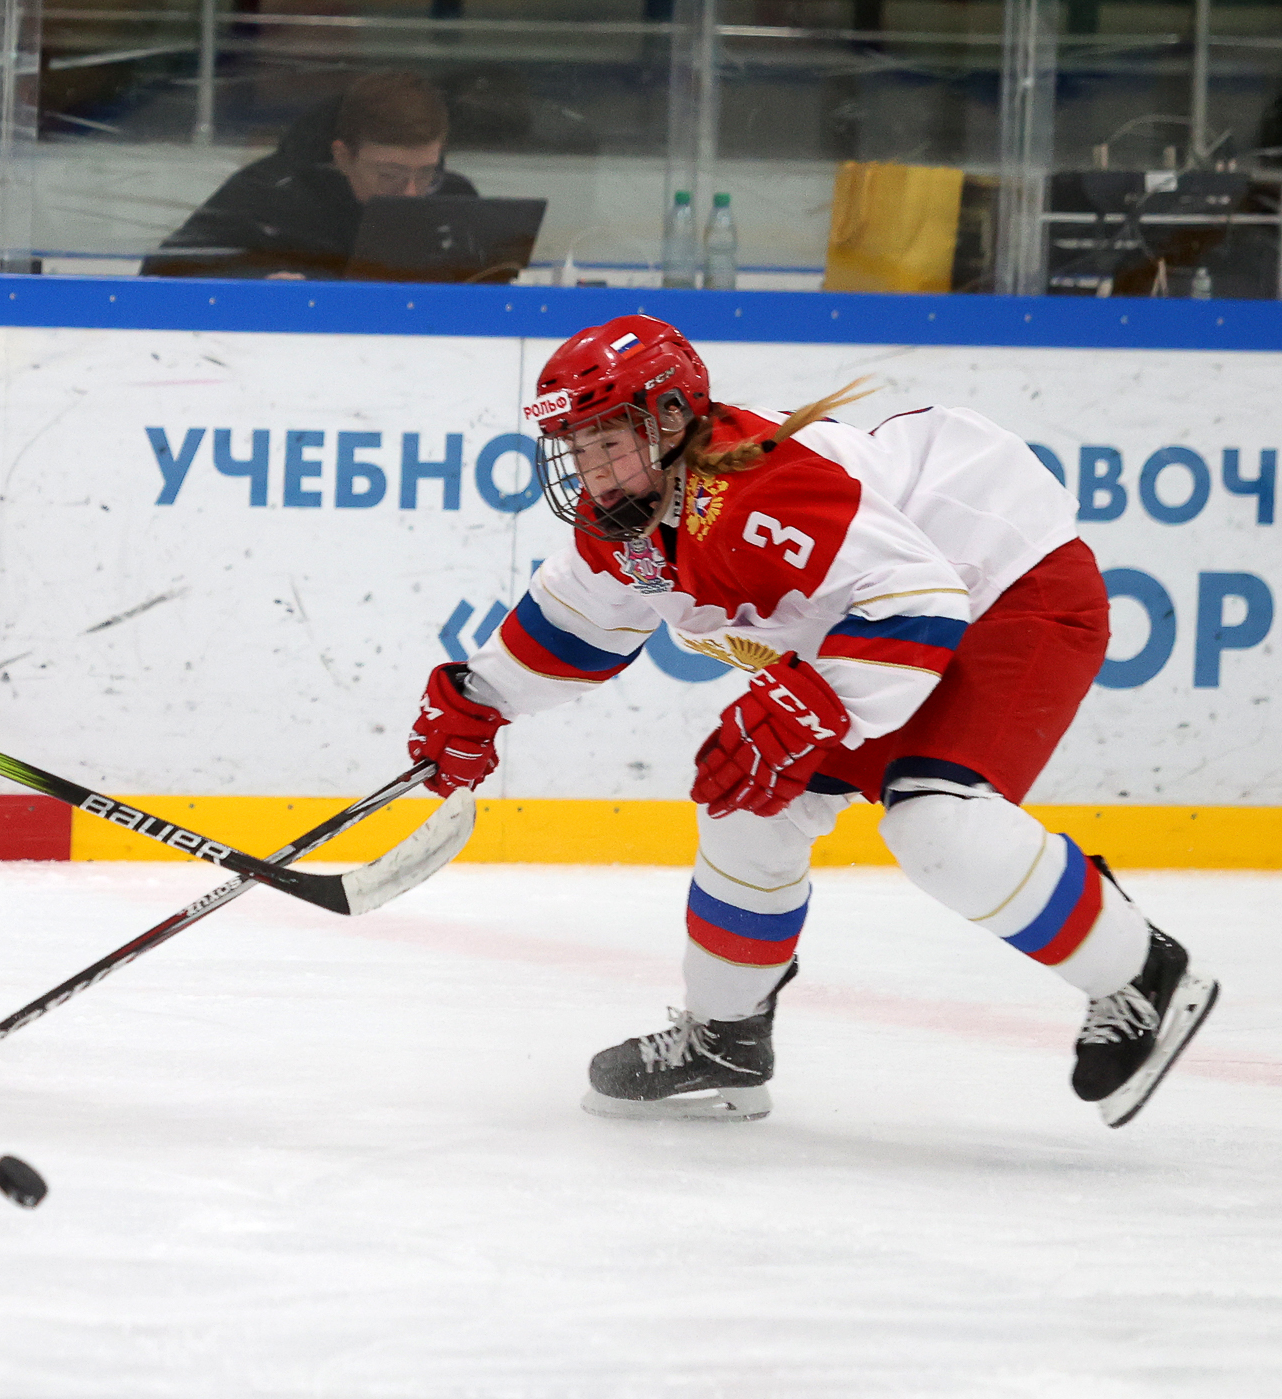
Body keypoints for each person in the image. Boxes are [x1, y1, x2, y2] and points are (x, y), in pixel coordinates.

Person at [404, 315, 1218, 1127]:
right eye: (577, 450)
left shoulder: (758, 490)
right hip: (888, 628)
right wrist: (480, 699)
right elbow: (575, 623)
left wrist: (811, 704)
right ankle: (725, 1037)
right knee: (748, 804)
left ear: (670, 418)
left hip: (1009, 592)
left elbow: (919, 597)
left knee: (938, 824)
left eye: (607, 444)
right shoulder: (634, 514)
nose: (593, 472)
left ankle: (1142, 974)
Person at [141, 69, 478, 280]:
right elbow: (162, 271)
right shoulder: (268, 194)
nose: (410, 193)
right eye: (390, 175)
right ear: (343, 157)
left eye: (426, 173)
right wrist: (256, 281)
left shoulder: (454, 198)